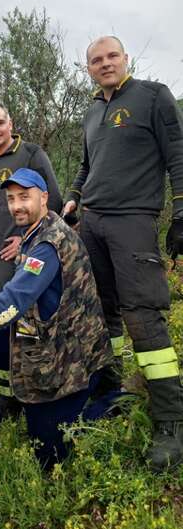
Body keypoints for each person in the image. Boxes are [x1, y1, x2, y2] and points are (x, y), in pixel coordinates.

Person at [0, 168, 114, 469]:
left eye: (24, 197)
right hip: (48, 334)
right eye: (11, 199)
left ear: (44, 197)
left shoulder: (47, 244)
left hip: (69, 357)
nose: (16, 205)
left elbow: (13, 301)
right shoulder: (39, 229)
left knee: (47, 453)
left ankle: (112, 402)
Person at [63, 35, 183, 472]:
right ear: (88, 68)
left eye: (112, 56)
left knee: (143, 316)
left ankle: (171, 421)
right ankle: (114, 391)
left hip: (133, 220)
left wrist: (181, 212)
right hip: (91, 223)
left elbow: (178, 155)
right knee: (103, 312)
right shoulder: (93, 111)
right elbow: (86, 165)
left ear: (125, 58)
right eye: (96, 60)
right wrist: (74, 197)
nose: (105, 63)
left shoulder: (153, 96)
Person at [0, 99, 63, 432]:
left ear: (10, 123)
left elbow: (54, 203)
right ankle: (5, 396)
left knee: (11, 322)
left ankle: (27, 395)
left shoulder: (32, 155)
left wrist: (24, 240)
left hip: (14, 258)